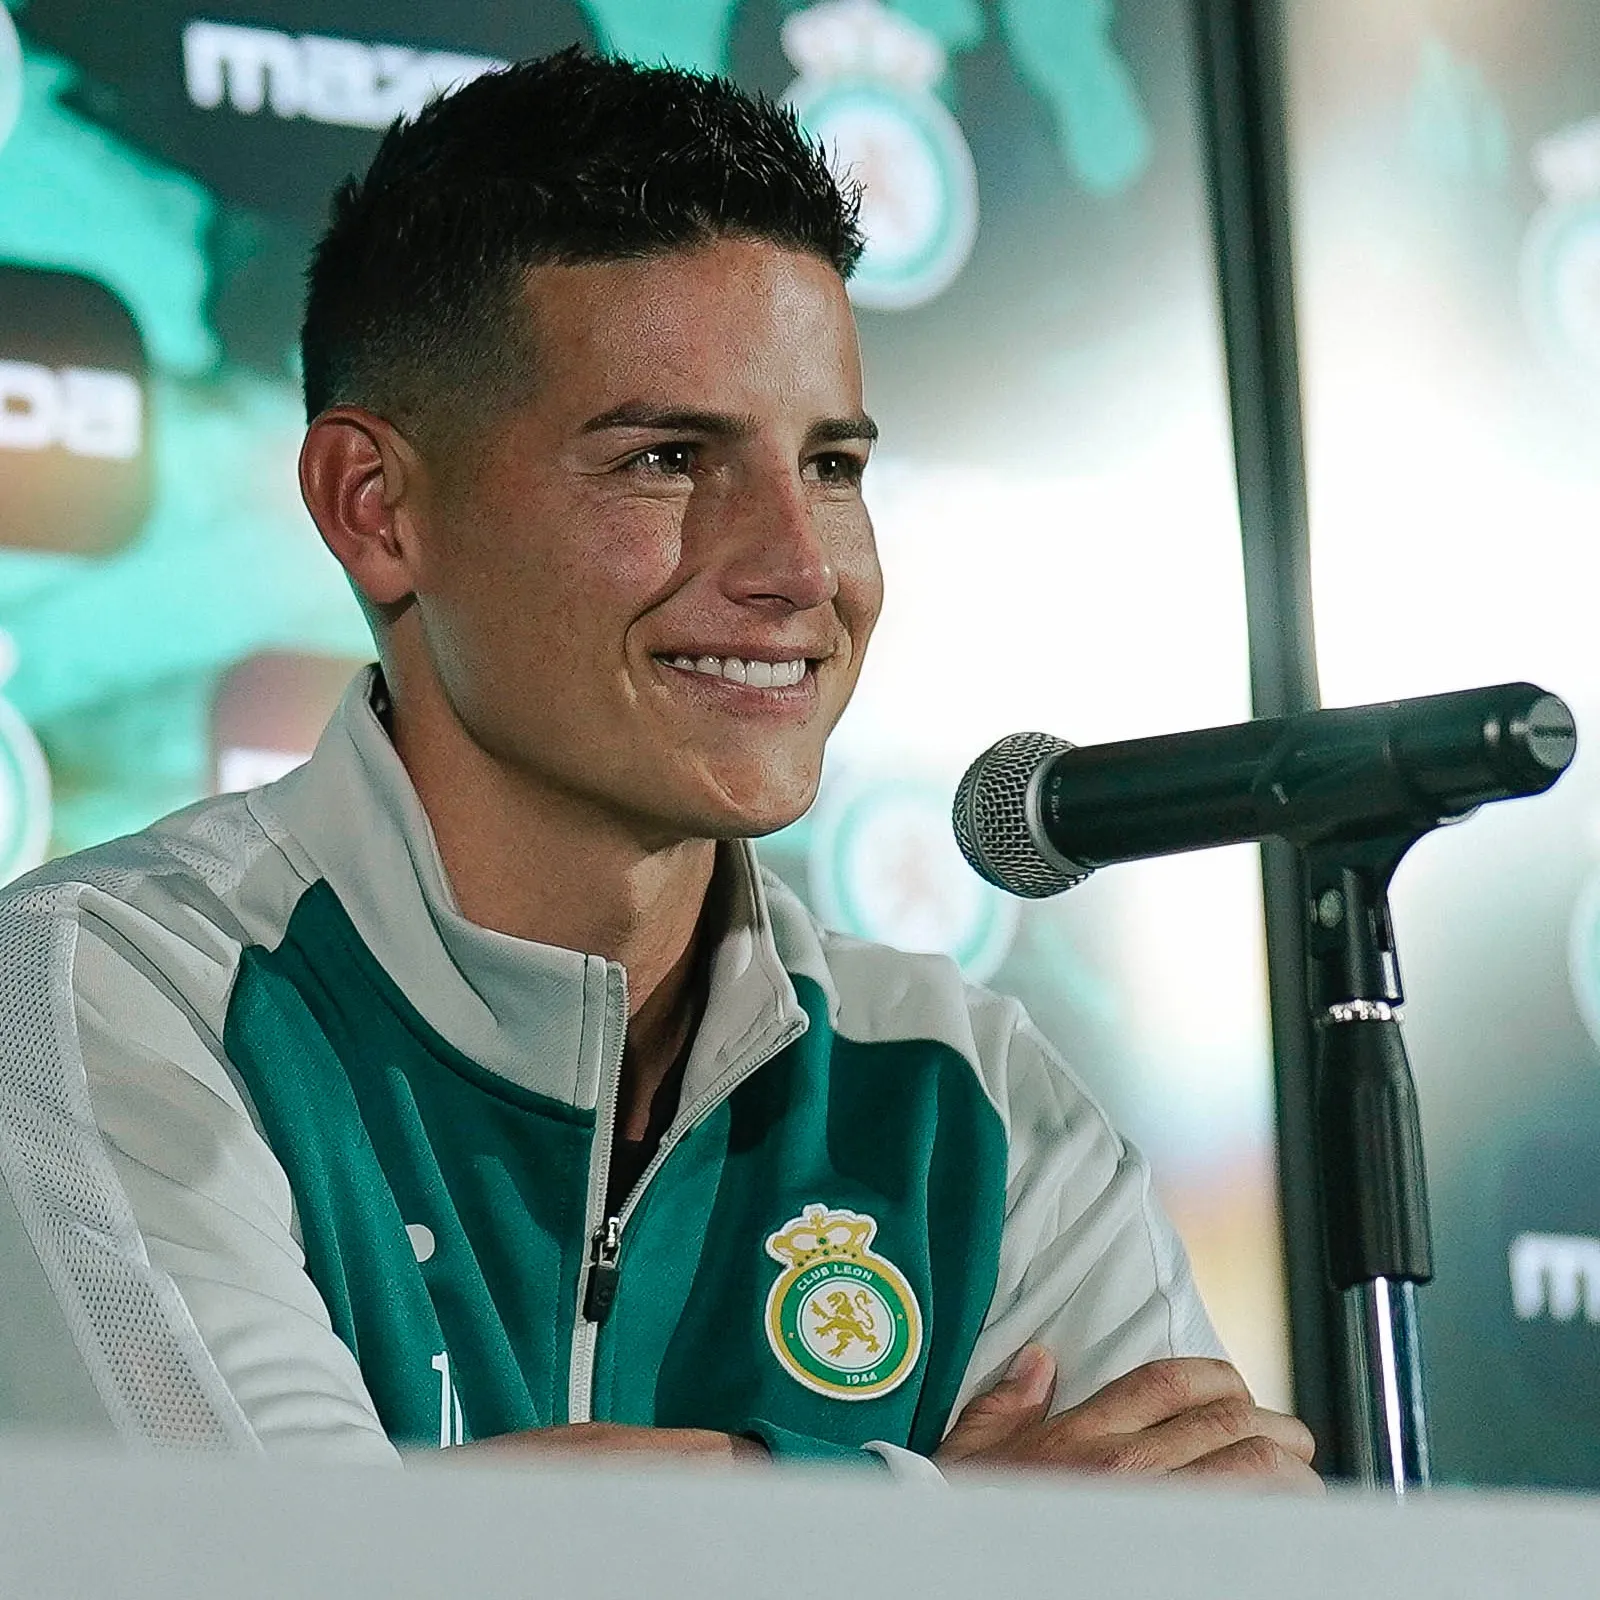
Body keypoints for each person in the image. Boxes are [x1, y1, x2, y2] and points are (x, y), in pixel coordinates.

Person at [0, 49, 1316, 1488]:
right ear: (376, 509)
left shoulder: (972, 1092)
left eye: (831, 466)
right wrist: (962, 1531)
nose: (799, 569)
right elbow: (287, 1574)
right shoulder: (100, 996)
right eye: (668, 460)